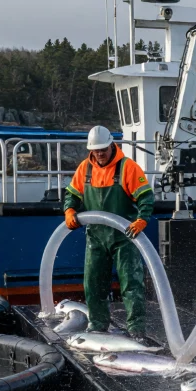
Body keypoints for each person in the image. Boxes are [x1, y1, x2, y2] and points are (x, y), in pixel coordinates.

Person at [63, 125, 154, 338]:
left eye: (103, 148)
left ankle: (136, 331)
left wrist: (142, 219)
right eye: (96, 150)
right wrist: (69, 210)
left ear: (112, 145)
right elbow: (72, 195)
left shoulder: (127, 168)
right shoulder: (85, 169)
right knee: (93, 283)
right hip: (95, 236)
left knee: (131, 284)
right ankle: (97, 326)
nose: (100, 153)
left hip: (125, 236)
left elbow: (146, 198)